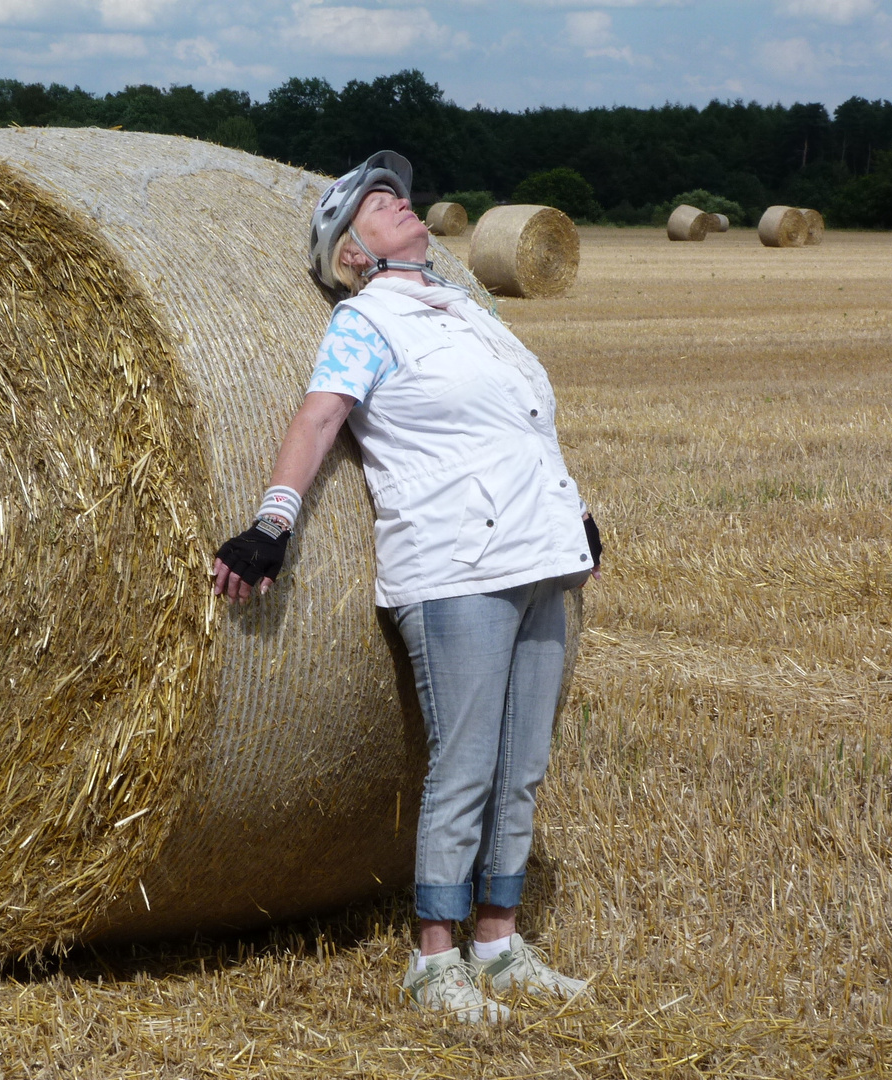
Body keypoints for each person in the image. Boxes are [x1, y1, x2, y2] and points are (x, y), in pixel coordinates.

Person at [212, 151, 601, 1024]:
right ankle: (435, 962)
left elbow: (524, 422)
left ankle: (499, 946)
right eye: (375, 205)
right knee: (464, 767)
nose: (398, 204)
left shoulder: (471, 311)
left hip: (542, 558)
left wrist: (575, 515)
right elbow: (319, 417)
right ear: (352, 254)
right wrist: (271, 524)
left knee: (522, 768)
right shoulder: (367, 321)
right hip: (457, 565)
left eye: (398, 195)